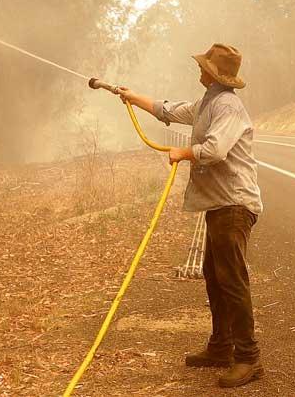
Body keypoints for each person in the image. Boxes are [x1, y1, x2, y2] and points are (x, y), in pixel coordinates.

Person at [117, 43, 264, 388]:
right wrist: (134, 97)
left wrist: (183, 152)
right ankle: (220, 347)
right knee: (214, 277)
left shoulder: (228, 106)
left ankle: (248, 358)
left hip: (234, 204)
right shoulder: (209, 101)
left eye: (205, 66)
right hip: (219, 204)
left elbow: (215, 150)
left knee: (232, 280)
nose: (200, 69)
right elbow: (174, 110)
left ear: (214, 73)